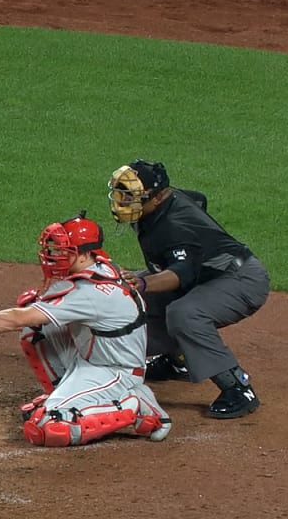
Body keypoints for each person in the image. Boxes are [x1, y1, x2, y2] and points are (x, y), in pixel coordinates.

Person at [0, 213, 171, 447]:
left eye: (62, 250)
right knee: (36, 326)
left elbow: (15, 319)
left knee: (48, 427)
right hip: (92, 358)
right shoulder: (100, 267)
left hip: (115, 372)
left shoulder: (91, 294)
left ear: (83, 254)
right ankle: (67, 397)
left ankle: (136, 407)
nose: (54, 255)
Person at [108, 159, 269, 419]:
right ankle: (177, 360)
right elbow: (199, 198)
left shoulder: (175, 225)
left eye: (131, 195)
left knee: (184, 313)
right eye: (121, 192)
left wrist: (144, 282)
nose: (123, 200)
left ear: (158, 198)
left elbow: (180, 274)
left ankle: (238, 389)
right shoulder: (159, 204)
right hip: (206, 274)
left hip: (238, 279)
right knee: (129, 295)